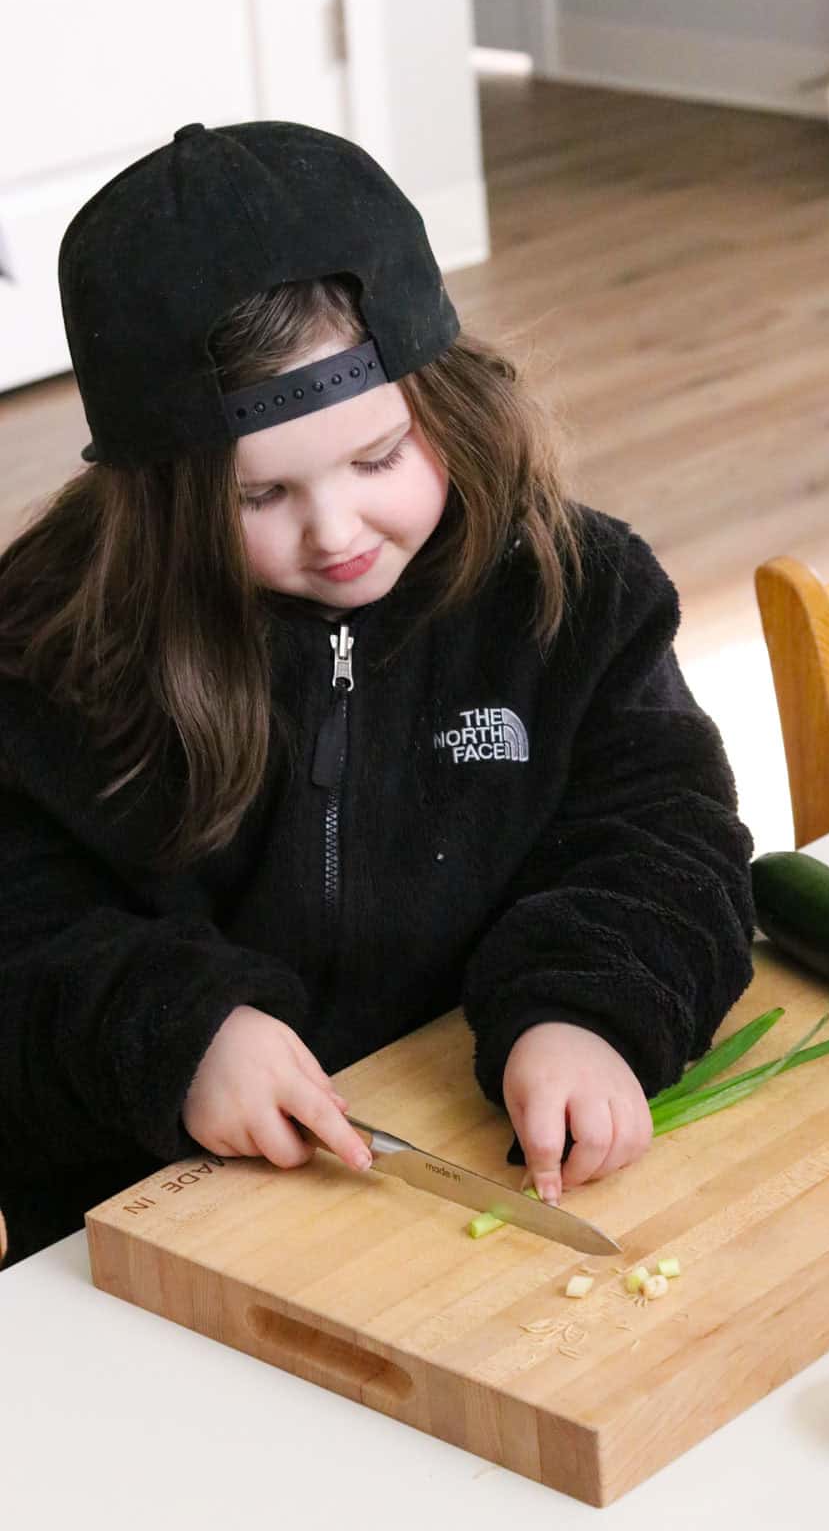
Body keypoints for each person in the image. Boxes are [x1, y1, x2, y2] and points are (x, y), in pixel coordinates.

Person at [0, 121, 755, 1268]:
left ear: (444, 401)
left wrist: (589, 1007)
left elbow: (661, 830)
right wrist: (178, 1031)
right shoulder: (54, 639)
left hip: (461, 1166)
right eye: (259, 498)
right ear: (158, 504)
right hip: (151, 1209)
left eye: (377, 458)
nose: (338, 532)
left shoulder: (574, 590)